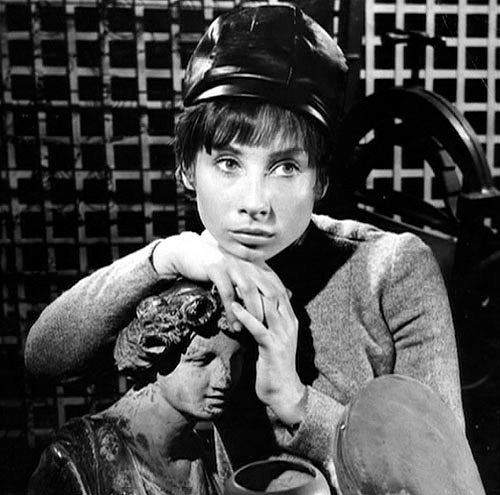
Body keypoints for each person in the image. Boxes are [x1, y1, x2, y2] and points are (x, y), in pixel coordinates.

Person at [25, 3, 485, 493]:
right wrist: (164, 257)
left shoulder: (392, 270)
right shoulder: (194, 268)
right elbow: (44, 359)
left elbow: (443, 482)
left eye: (285, 168)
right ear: (187, 169)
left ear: (320, 179)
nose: (255, 203)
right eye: (228, 163)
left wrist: (298, 405)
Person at [27, 280, 246, 494]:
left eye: (235, 360)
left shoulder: (212, 462)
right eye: (202, 360)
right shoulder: (81, 460)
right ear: (158, 350)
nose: (225, 379)